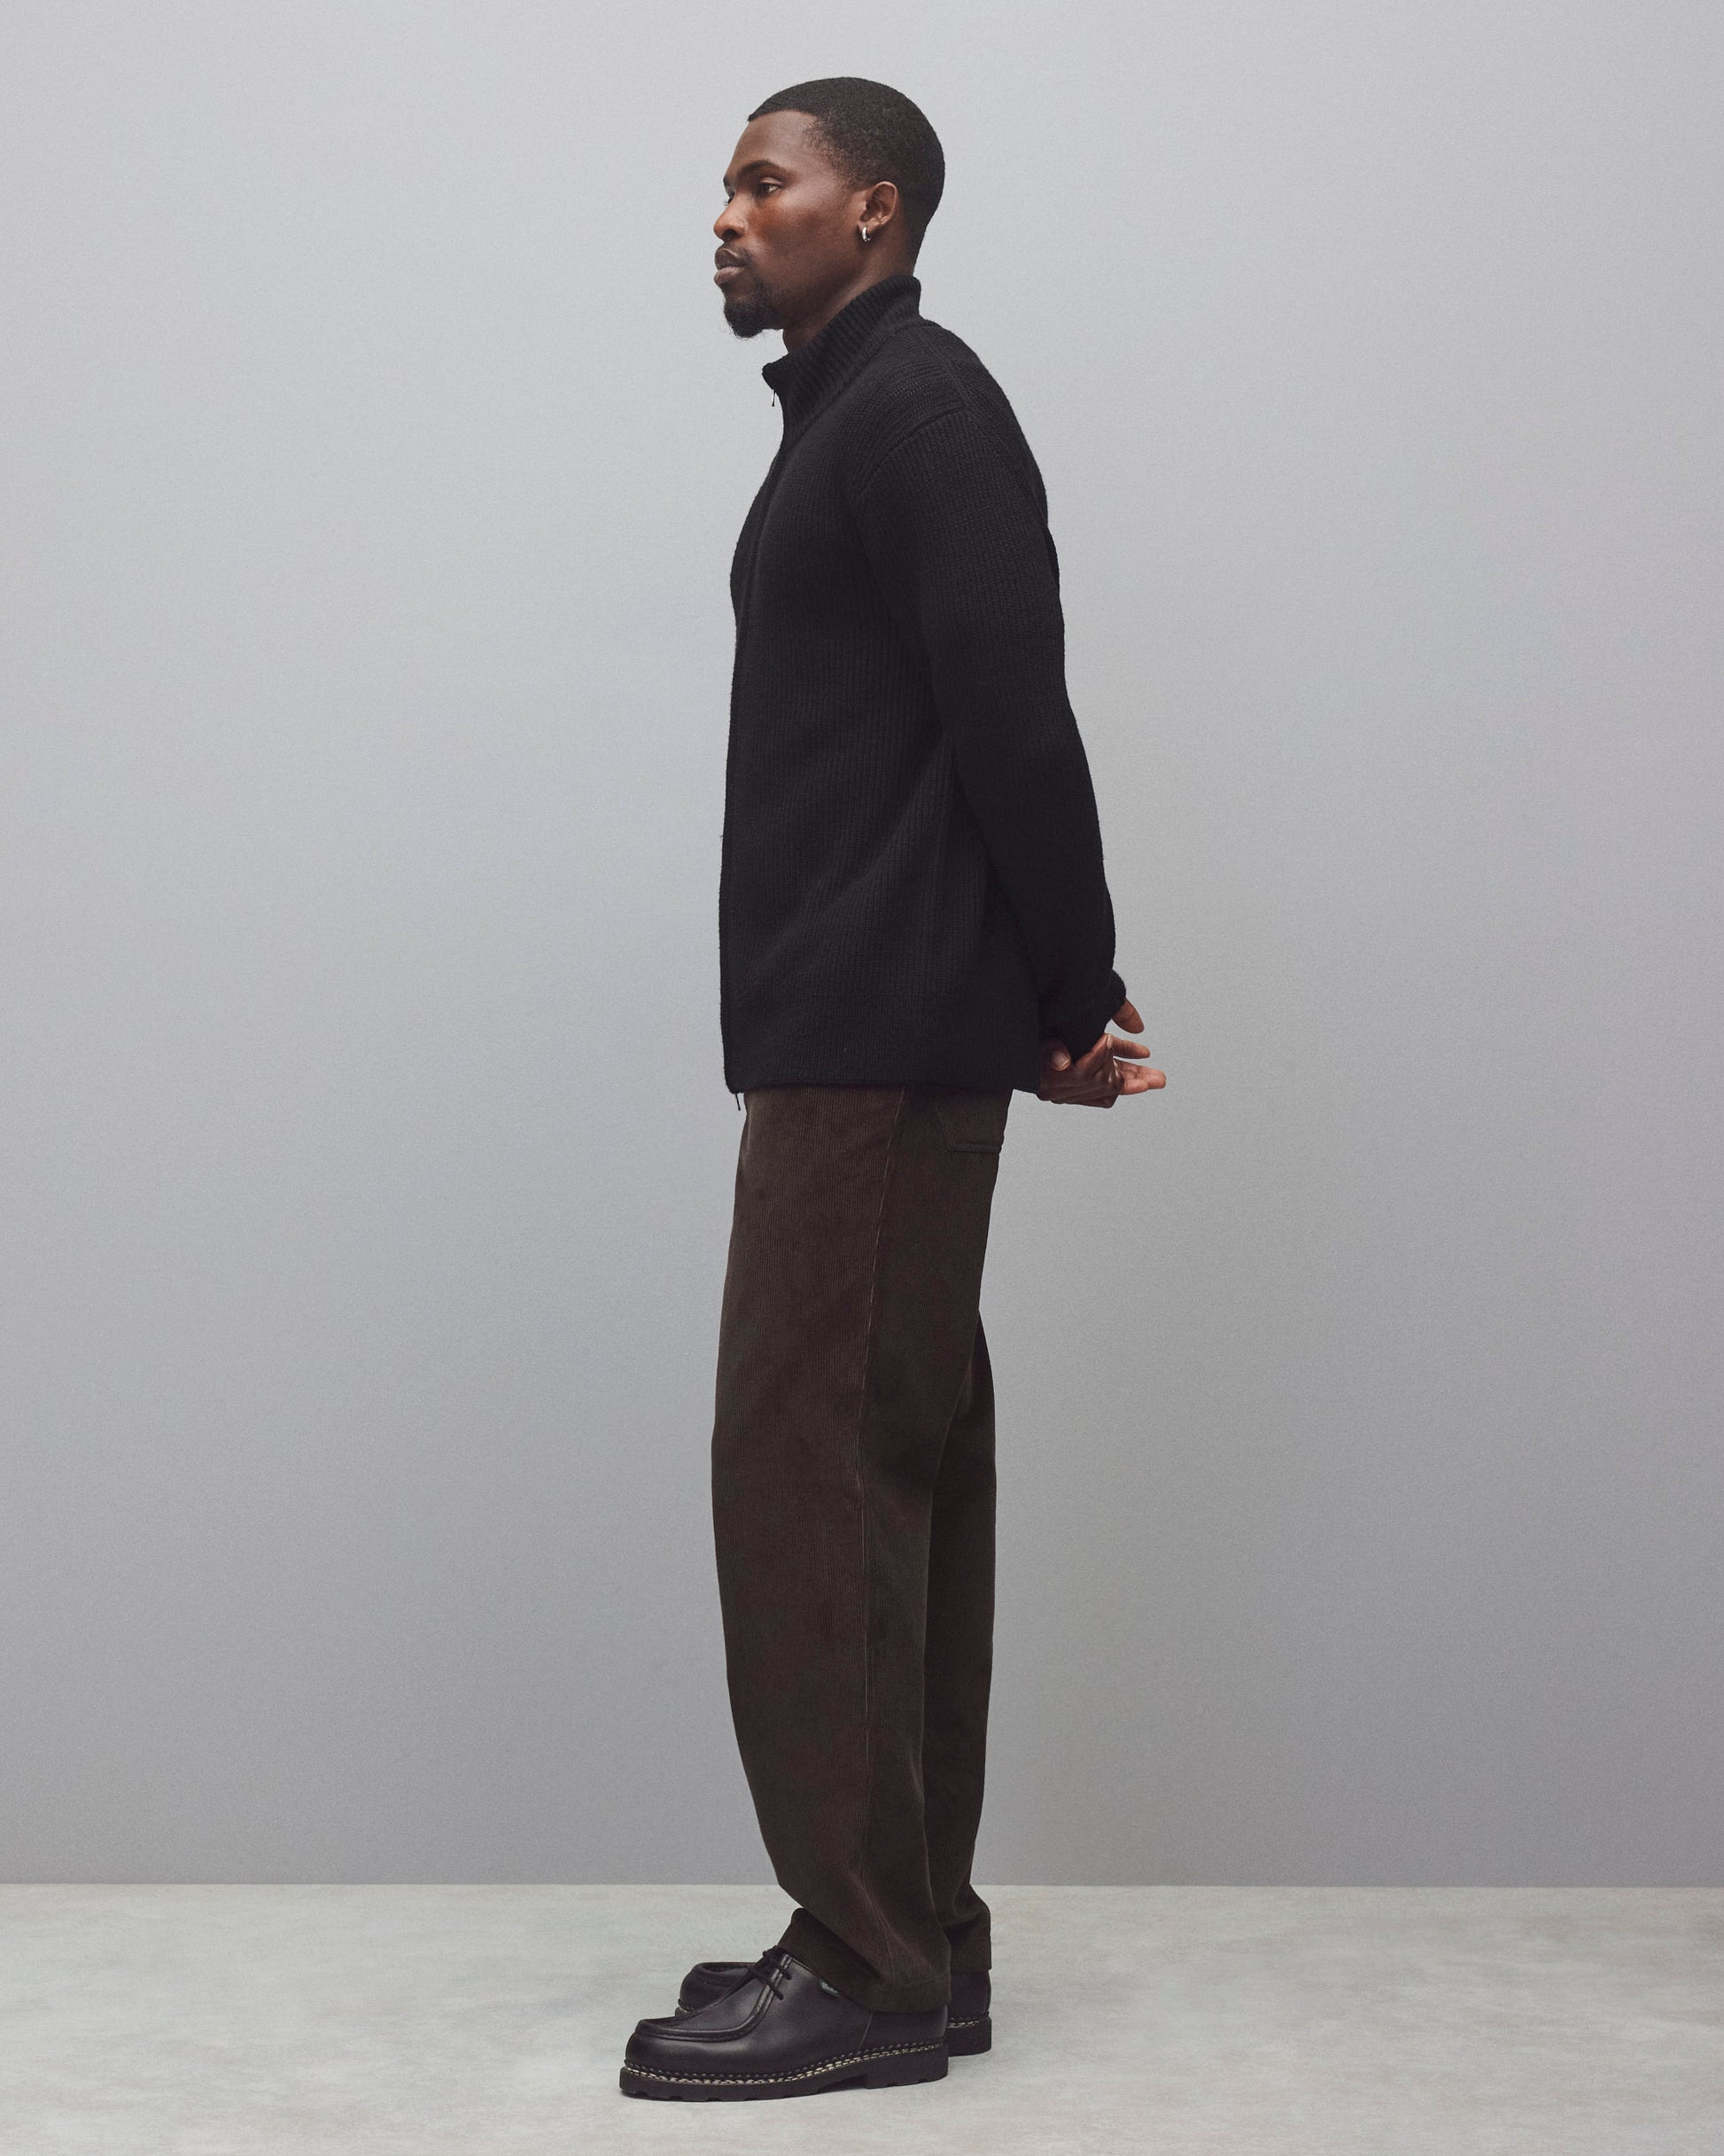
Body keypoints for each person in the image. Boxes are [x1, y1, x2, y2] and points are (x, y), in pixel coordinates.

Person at [619, 76, 1163, 2104]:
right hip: (874, 1023)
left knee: (813, 1470)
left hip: (875, 1034)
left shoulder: (919, 413)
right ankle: (911, 1934)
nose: (725, 212)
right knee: (891, 1467)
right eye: (725, 184)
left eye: (762, 181)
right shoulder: (857, 415)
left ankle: (859, 1959)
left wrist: (1074, 987)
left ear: (875, 209)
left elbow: (1013, 711)